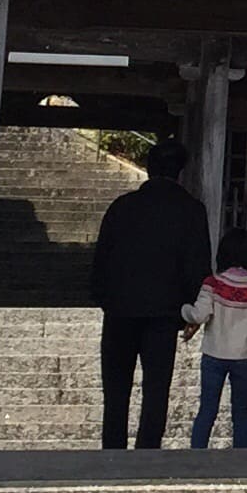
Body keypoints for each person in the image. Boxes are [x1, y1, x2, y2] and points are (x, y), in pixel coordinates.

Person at [87, 137, 211, 450]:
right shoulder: (191, 211)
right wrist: (193, 310)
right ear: (180, 172)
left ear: (147, 169)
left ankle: (112, 450)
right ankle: (147, 452)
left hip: (120, 309)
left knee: (116, 390)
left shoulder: (122, 207)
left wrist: (103, 297)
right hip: (164, 312)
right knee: (156, 389)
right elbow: (197, 265)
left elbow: (101, 258)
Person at [183, 228, 247, 451]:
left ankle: (197, 456)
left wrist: (185, 311)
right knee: (241, 411)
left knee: (207, 410)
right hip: (244, 354)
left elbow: (200, 315)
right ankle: (242, 457)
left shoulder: (213, 284)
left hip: (214, 352)